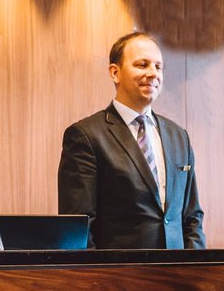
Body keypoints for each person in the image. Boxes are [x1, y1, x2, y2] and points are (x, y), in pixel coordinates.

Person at [58, 31, 205, 249]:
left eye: (158, 66)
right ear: (115, 72)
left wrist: (196, 271)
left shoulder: (179, 136)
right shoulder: (85, 136)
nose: (153, 73)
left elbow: (191, 218)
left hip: (179, 276)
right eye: (142, 64)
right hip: (119, 278)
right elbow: (80, 227)